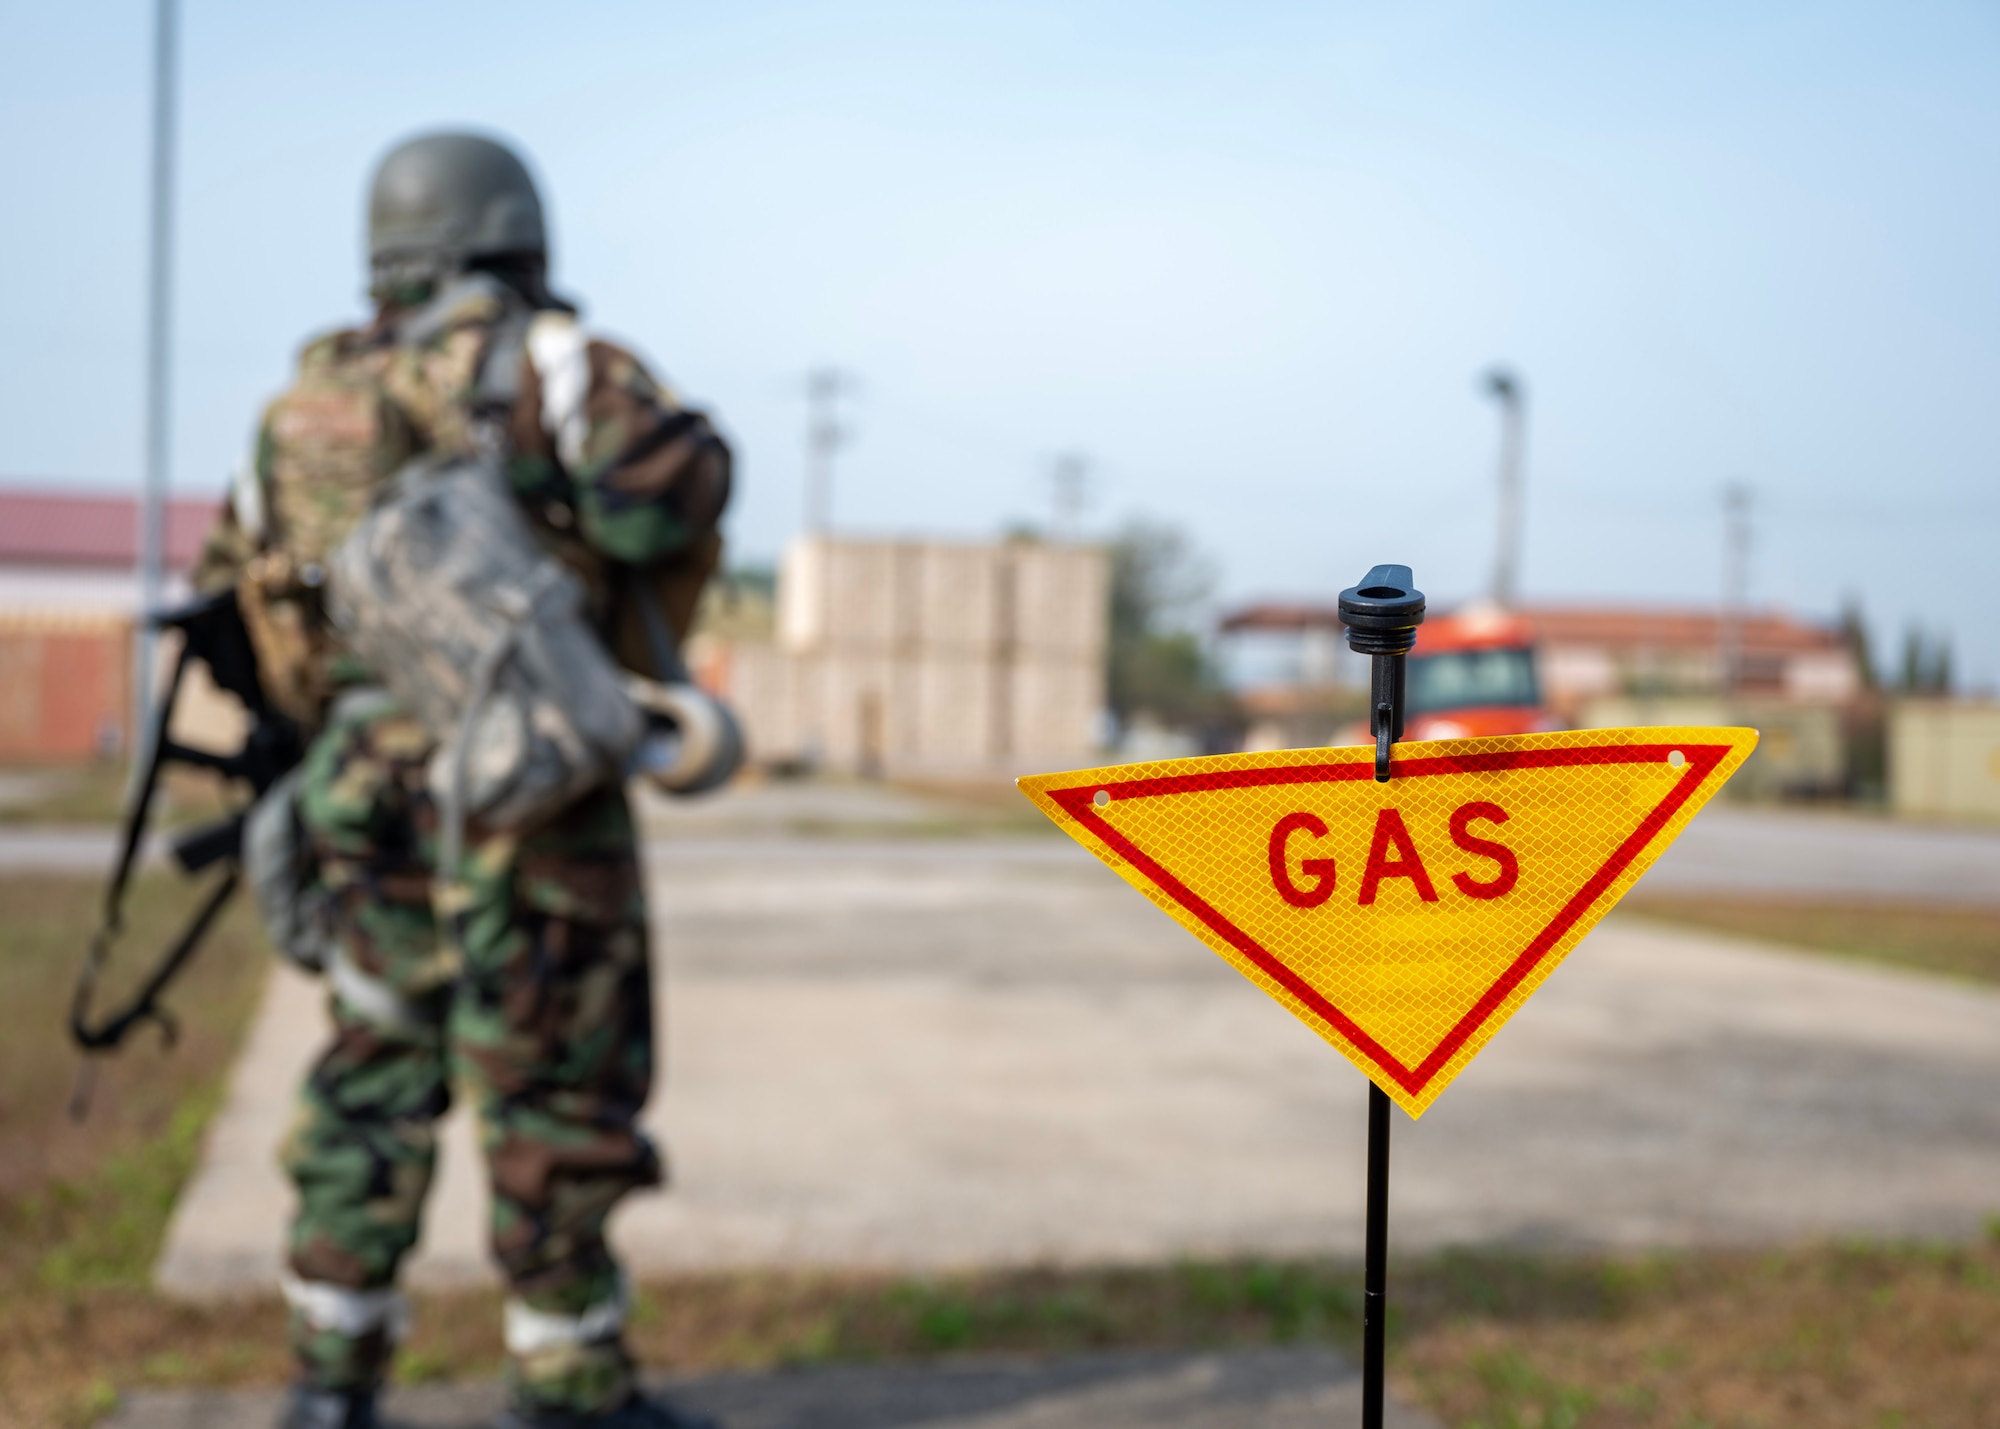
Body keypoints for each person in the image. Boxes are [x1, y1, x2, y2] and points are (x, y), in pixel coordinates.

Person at [193, 131, 729, 1429]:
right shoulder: (549, 362)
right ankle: (569, 1383)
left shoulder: (306, 402)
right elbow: (667, 502)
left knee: (372, 1067)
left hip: (362, 786)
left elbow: (231, 595)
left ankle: (330, 1383)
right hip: (530, 783)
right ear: (515, 231)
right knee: (554, 1080)